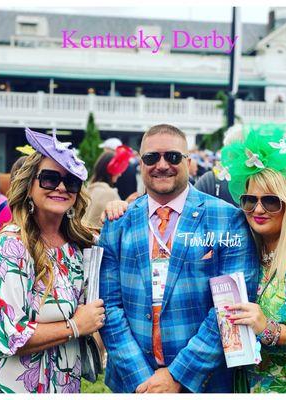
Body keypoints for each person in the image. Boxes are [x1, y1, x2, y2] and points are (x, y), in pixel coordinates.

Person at [98, 123, 259, 393]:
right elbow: (108, 306)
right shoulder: (118, 221)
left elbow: (231, 311)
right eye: (152, 158)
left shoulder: (227, 219)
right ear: (140, 163)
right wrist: (142, 381)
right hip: (133, 383)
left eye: (172, 157)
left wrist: (177, 377)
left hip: (202, 383)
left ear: (187, 161)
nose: (162, 165)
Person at [0, 128, 105, 393]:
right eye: (49, 178)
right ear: (29, 185)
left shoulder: (77, 247)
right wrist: (75, 326)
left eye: (71, 182)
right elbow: (9, 334)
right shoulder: (11, 245)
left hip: (67, 386)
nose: (60, 187)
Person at [220, 123, 286, 393]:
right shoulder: (247, 247)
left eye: (270, 201)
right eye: (249, 200)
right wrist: (129, 206)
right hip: (244, 385)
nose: (258, 209)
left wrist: (268, 329)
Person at [85, 146, 133, 229]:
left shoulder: (90, 188)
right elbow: (117, 224)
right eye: (119, 169)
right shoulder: (108, 193)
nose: (120, 174)